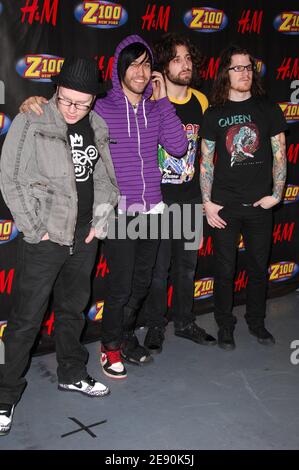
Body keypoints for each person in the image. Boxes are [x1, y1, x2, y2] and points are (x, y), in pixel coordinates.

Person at [18, 35, 188, 379]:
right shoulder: (102, 106)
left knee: (142, 284)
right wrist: (35, 102)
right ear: (118, 67)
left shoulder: (157, 108)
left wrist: (165, 101)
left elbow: (179, 146)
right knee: (121, 286)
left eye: (145, 63)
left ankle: (124, 336)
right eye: (132, 63)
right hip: (119, 210)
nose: (140, 71)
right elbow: (68, 110)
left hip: (154, 210)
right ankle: (110, 347)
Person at [0, 57, 120, 436]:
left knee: (72, 311)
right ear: (55, 92)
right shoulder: (32, 119)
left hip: (84, 236)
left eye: (81, 104)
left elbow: (106, 181)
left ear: (92, 101)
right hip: (47, 238)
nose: (73, 110)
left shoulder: (96, 124)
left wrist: (100, 221)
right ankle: (5, 396)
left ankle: (71, 372)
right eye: (67, 101)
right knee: (25, 322)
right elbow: (11, 179)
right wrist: (36, 229)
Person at [200, 45, 287, 350]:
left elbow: (280, 154)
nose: (244, 73)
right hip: (224, 207)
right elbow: (206, 161)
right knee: (224, 271)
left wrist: (276, 195)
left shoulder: (268, 109)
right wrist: (208, 203)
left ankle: (257, 322)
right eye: (237, 68)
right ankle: (225, 324)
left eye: (248, 67)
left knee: (258, 269)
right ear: (225, 73)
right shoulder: (214, 114)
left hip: (259, 207)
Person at [142, 33, 216, 354]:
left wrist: (204, 197)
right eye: (176, 59)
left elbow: (207, 156)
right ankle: (155, 326)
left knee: (187, 267)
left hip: (189, 200)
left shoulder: (201, 101)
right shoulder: (149, 101)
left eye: (188, 59)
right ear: (162, 65)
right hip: (157, 203)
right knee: (158, 271)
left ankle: (184, 322)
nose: (185, 65)